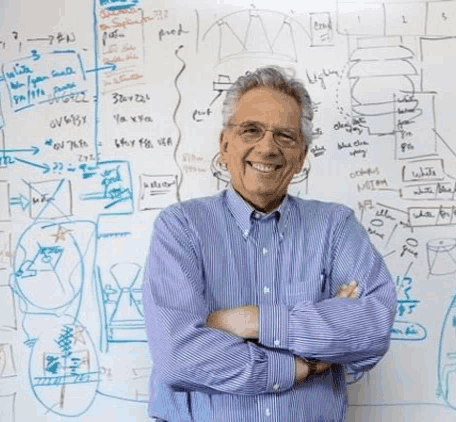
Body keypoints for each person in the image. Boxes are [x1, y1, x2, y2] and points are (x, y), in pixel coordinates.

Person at [142, 66, 396, 421]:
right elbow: (178, 357)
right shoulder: (181, 227)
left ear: (302, 154)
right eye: (251, 130)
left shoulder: (336, 227)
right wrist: (301, 366)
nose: (267, 147)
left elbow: (373, 327)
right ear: (225, 144)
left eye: (285, 136)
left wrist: (254, 321)